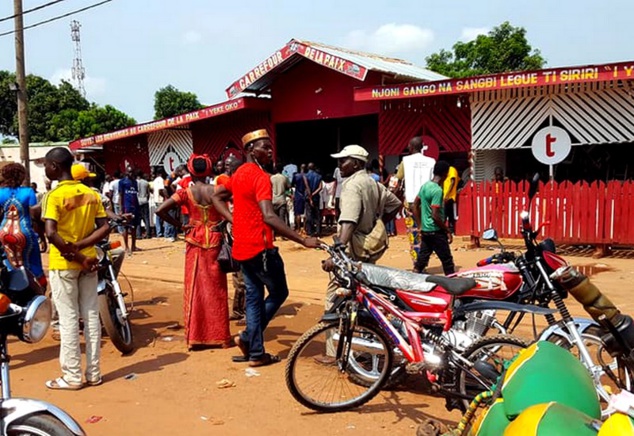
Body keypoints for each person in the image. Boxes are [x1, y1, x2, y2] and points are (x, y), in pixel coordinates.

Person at [212, 129, 321, 367]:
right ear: (251, 150)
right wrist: (303, 240)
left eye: (271, 148)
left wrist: (233, 220)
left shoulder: (240, 173)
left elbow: (217, 197)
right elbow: (269, 216)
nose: (270, 152)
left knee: (253, 298)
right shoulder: (261, 178)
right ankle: (250, 339)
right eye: (265, 148)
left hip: (242, 248)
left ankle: (255, 351)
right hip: (261, 249)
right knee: (279, 292)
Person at [318, 145, 402, 364]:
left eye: (343, 161)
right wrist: (378, 223)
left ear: (355, 163)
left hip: (352, 253)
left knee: (335, 297)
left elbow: (348, 222)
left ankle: (334, 351)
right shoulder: (372, 183)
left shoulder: (352, 185)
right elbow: (396, 204)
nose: (339, 165)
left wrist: (335, 254)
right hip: (370, 248)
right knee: (365, 299)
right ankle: (366, 347)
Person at [42, 147, 110, 390]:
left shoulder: (54, 196)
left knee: (69, 319)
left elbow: (51, 233)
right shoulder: (90, 193)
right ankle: (94, 374)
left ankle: (72, 376)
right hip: (90, 261)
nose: (46, 170)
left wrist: (76, 253)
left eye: (47, 166)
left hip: (64, 264)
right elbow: (104, 228)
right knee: (91, 316)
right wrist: (84, 251)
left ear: (55, 167)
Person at [156, 154, 232, 350]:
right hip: (215, 241)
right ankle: (220, 337)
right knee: (217, 290)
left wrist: (181, 226)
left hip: (194, 240)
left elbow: (160, 210)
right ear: (209, 170)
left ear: (190, 171)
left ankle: (196, 337)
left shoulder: (185, 193)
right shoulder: (218, 190)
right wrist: (223, 222)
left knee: (195, 289)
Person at [0, 163, 46, 285]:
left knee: (11, 263)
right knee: (33, 262)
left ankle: (14, 288)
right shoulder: (28, 192)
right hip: (24, 232)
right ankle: (37, 289)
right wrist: (42, 238)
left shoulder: (1, 193)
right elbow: (34, 216)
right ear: (21, 176)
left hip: (4, 232)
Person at [396, 136, 437, 270]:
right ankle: (424, 262)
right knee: (427, 234)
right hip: (427, 203)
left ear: (410, 147)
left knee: (414, 234)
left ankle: (418, 265)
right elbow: (434, 180)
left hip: (411, 203)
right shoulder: (431, 161)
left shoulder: (405, 161)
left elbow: (398, 178)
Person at [215, 155, 247, 324]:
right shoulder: (226, 183)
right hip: (232, 232)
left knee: (244, 276)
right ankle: (237, 310)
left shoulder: (240, 183)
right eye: (225, 165)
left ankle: (247, 313)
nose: (226, 167)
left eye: (229, 165)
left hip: (243, 234)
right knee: (236, 273)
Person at [412, 161, 455, 275]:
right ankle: (452, 286)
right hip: (436, 231)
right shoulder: (437, 190)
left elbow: (414, 205)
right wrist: (447, 230)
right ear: (445, 174)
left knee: (421, 260)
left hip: (426, 231)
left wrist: (420, 225)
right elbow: (435, 215)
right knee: (447, 261)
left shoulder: (425, 186)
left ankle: (411, 281)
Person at [119, 166, 140, 256]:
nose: (131, 174)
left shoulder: (135, 182)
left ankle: (133, 246)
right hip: (126, 207)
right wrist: (121, 209)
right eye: (129, 172)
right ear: (126, 172)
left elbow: (135, 195)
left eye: (132, 172)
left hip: (135, 207)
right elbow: (120, 195)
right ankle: (126, 247)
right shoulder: (122, 182)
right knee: (126, 227)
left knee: (134, 227)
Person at [303, 162, 323, 237]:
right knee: (317, 214)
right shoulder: (319, 176)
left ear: (308, 168)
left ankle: (310, 231)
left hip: (308, 197)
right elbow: (320, 187)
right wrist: (314, 194)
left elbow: (307, 187)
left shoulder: (305, 176)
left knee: (309, 214)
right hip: (316, 197)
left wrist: (310, 196)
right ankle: (318, 231)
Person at [271, 162, 290, 228]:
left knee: (274, 218)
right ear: (282, 170)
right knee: (282, 218)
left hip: (273, 199)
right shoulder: (284, 178)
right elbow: (288, 186)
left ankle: (273, 235)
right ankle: (283, 234)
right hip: (281, 200)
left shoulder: (271, 178)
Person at [443, 164, 459, 235]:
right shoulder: (448, 171)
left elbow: (452, 182)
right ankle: (450, 230)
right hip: (447, 196)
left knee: (446, 214)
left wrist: (447, 194)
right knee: (448, 214)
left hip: (449, 196)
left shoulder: (451, 169)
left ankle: (450, 230)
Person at [291, 164, 307, 232]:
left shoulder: (296, 176)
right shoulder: (307, 176)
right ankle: (305, 228)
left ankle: (298, 228)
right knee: (306, 213)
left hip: (298, 194)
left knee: (298, 213)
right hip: (305, 195)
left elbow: (292, 184)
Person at [136, 171, 151, 239]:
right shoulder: (146, 182)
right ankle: (148, 234)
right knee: (146, 218)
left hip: (137, 201)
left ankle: (138, 235)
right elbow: (148, 193)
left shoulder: (134, 182)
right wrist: (147, 199)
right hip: (144, 200)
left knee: (138, 219)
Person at [152, 168, 166, 238]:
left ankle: (159, 231)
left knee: (158, 216)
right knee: (162, 215)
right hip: (160, 199)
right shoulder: (161, 180)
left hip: (156, 199)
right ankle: (160, 232)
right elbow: (161, 190)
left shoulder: (154, 180)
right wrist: (165, 197)